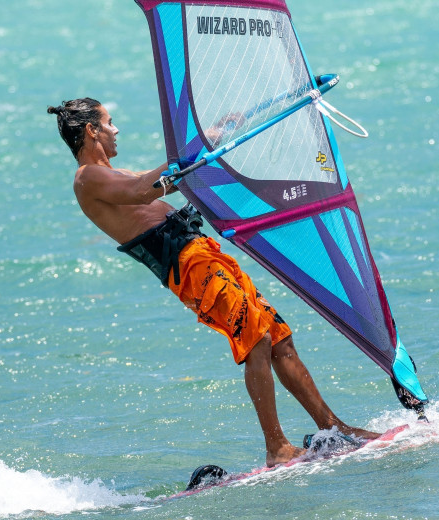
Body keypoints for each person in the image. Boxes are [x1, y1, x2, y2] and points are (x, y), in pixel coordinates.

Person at [47, 98, 379, 467]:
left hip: (204, 254)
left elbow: (170, 181)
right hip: (187, 265)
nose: (116, 129)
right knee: (256, 338)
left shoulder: (113, 172)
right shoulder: (87, 178)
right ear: (91, 129)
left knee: (278, 336)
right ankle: (277, 447)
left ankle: (332, 428)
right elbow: (145, 189)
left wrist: (215, 139)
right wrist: (195, 146)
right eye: (109, 122)